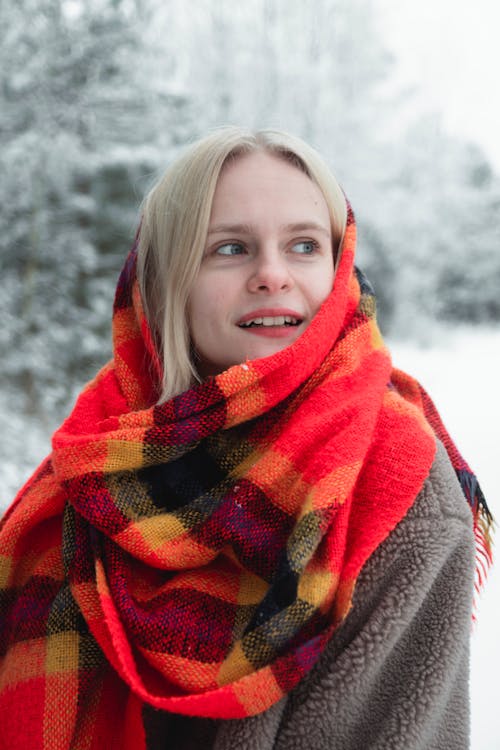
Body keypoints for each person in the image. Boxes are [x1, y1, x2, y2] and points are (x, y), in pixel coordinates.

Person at [0, 127, 492, 750]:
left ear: (339, 265)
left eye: (304, 246)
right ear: (164, 281)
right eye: (230, 248)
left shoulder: (395, 482)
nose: (272, 275)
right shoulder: (97, 455)